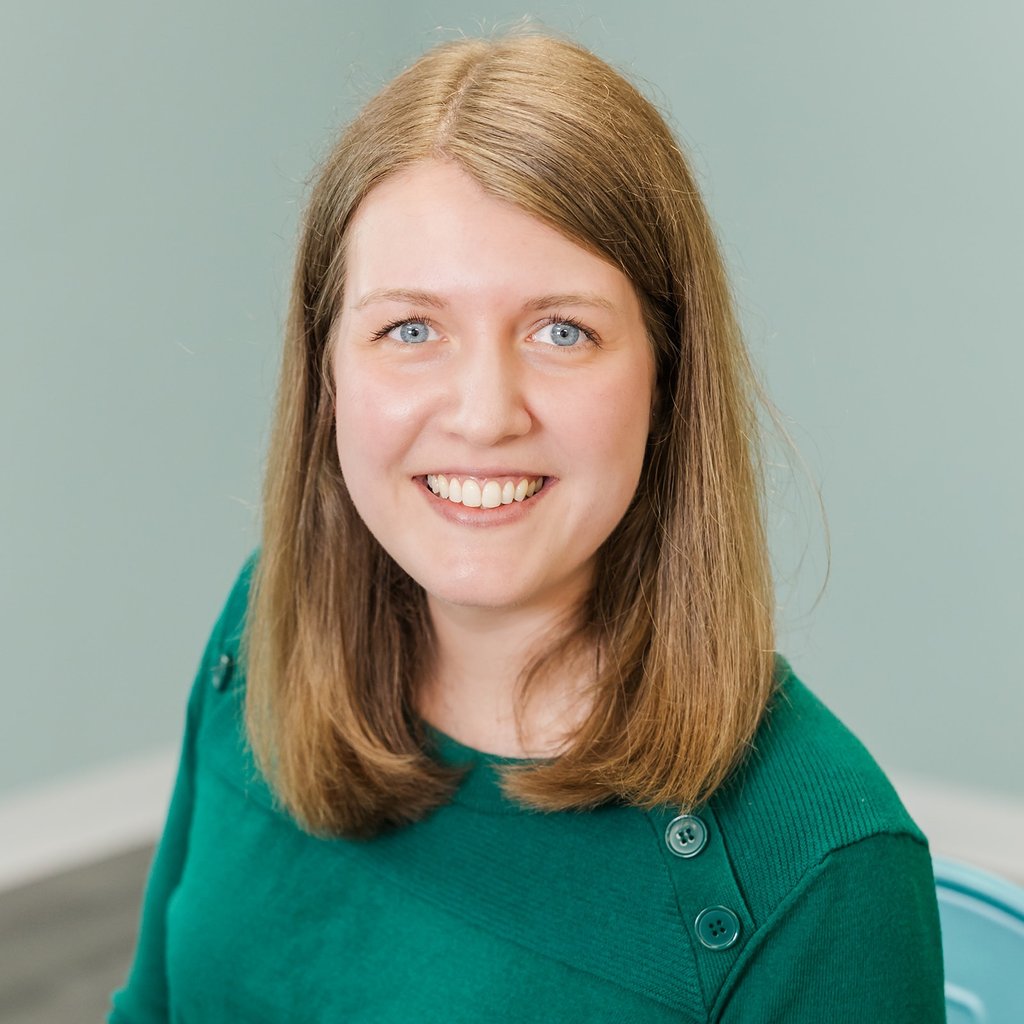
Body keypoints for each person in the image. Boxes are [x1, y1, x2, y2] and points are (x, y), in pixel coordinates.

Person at [109, 31, 946, 1023]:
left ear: (665, 382)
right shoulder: (259, 633)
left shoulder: (821, 869)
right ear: (327, 369)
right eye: (409, 329)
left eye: (562, 331)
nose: (482, 412)